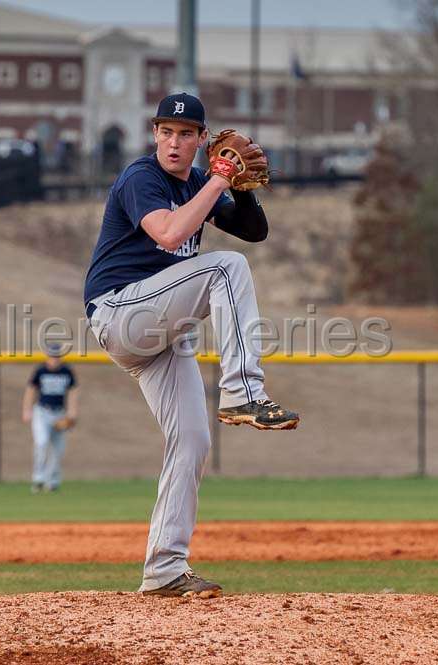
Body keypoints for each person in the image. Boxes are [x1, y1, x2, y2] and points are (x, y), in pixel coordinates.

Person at [83, 92, 298, 598]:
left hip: (159, 330)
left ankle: (163, 568)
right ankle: (243, 390)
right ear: (154, 135)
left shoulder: (200, 180)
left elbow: (255, 230)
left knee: (194, 442)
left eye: (185, 134)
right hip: (120, 310)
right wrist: (221, 178)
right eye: (165, 131)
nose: (173, 142)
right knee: (226, 268)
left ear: (202, 140)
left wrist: (239, 188)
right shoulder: (143, 177)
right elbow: (169, 232)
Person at [22, 344, 78, 493]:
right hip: (42, 412)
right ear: (47, 356)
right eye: (52, 356)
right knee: (41, 442)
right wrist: (26, 410)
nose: (55, 359)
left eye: (57, 356)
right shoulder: (41, 370)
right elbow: (30, 390)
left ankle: (52, 481)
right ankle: (38, 478)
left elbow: (72, 391)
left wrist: (72, 413)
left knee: (58, 449)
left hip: (59, 413)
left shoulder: (66, 371)